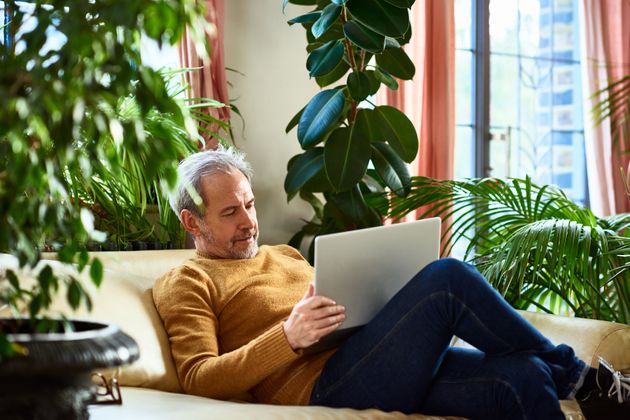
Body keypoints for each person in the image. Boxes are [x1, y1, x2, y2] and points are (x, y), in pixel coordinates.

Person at [153, 147, 630, 420]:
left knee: (525, 374)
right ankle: (584, 380)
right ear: (192, 222)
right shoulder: (187, 280)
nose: (249, 222)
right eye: (230, 212)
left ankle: (577, 384)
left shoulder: (285, 255)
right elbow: (199, 378)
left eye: (250, 205)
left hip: (374, 360)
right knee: (448, 278)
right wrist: (287, 338)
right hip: (323, 386)